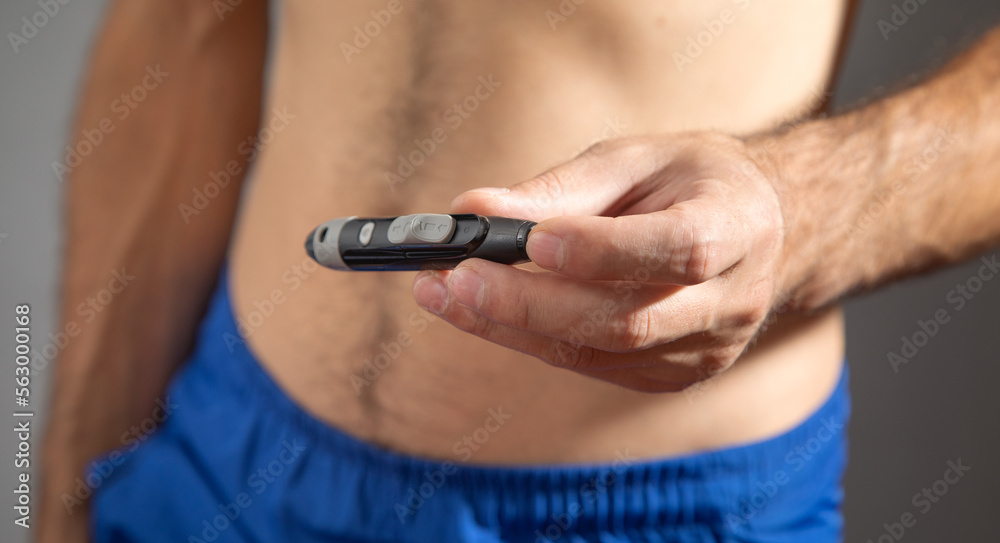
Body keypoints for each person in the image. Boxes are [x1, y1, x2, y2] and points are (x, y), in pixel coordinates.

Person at [39, 0, 1000, 541]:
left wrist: (800, 208)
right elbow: (181, 25)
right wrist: (68, 477)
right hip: (223, 461)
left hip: (651, 511)